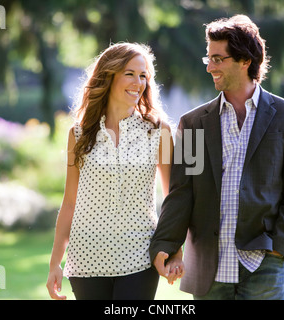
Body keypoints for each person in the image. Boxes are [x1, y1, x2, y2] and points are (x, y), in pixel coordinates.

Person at [150, 15, 284, 300]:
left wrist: (280, 246)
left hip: (265, 264)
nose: (210, 67)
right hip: (208, 270)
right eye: (208, 59)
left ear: (245, 61)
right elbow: (181, 192)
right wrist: (166, 244)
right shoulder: (193, 124)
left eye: (218, 59)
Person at [46, 42, 183, 300]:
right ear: (108, 76)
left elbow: (172, 197)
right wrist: (55, 262)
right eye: (129, 73)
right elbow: (70, 202)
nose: (138, 82)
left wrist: (175, 250)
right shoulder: (79, 133)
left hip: (139, 257)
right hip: (86, 259)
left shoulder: (158, 131)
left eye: (143, 76)